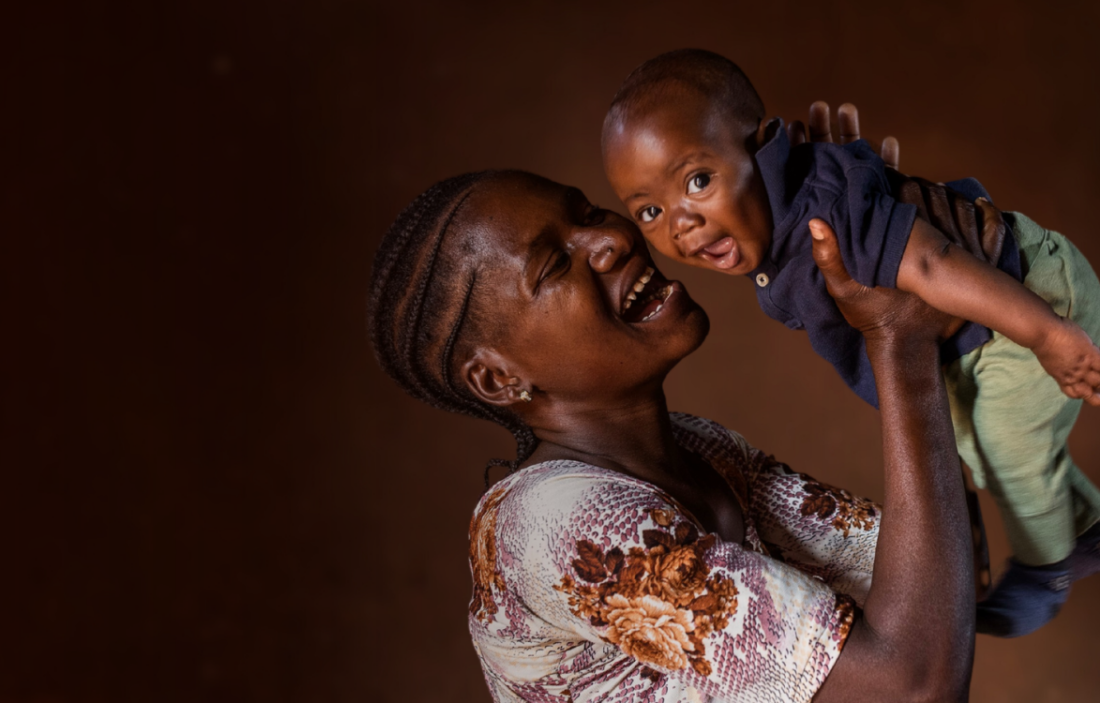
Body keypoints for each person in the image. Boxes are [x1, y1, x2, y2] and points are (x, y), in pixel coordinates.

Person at [366, 158, 975, 700]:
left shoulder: (696, 448)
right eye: (555, 264)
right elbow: (912, 685)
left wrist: (866, 231)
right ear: (498, 380)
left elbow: (946, 587)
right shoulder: (558, 523)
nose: (610, 240)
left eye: (589, 212)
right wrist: (897, 337)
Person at [598, 49, 1100, 636]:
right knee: (984, 449)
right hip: (975, 339)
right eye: (650, 210)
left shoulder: (823, 211)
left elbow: (931, 263)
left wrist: (1049, 334)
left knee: (1010, 445)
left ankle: (1046, 569)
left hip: (1026, 295)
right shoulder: (779, 231)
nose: (681, 222)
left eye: (698, 181)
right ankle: (1091, 532)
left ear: (762, 148)